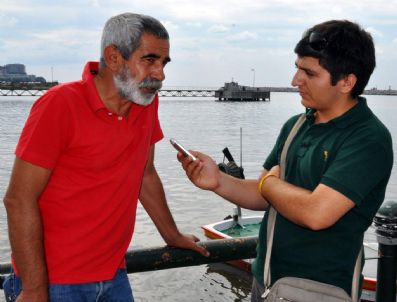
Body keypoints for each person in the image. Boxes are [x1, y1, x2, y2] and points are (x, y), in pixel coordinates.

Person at [178, 20, 393, 301]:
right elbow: (263, 195)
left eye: (309, 73)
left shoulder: (367, 138)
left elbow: (317, 214)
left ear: (347, 82)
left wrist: (269, 182)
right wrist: (218, 180)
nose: (295, 81)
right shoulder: (295, 126)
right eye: (297, 68)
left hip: (320, 290)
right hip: (265, 281)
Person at [2, 12, 208, 302]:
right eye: (149, 60)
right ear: (113, 58)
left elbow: (145, 174)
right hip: (54, 283)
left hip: (114, 274)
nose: (160, 74)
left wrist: (172, 236)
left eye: (163, 63)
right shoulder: (59, 105)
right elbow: (18, 199)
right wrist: (35, 289)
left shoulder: (145, 102)